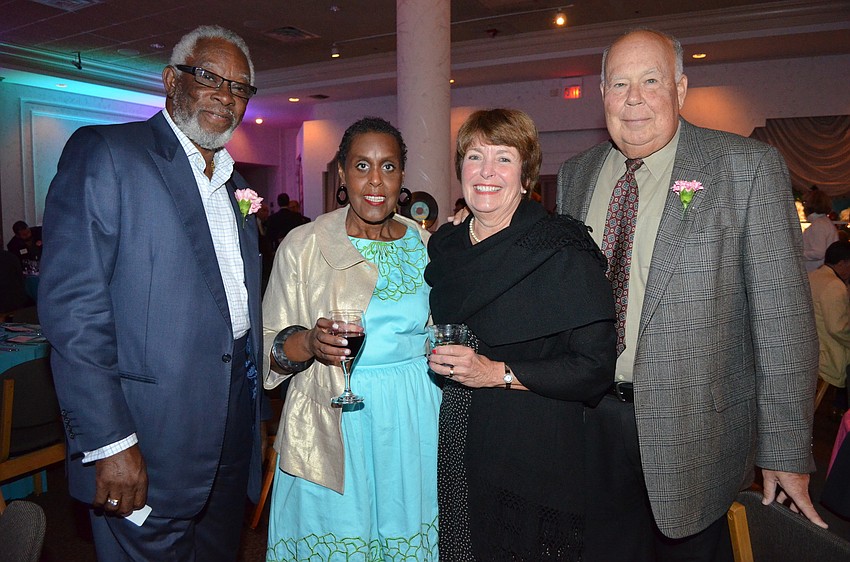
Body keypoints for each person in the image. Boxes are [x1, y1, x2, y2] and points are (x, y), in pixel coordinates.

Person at [556, 29, 824, 561]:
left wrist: (786, 449)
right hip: (589, 424)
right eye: (619, 83)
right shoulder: (576, 174)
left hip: (697, 438)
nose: (634, 98)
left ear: (680, 89)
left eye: (650, 81)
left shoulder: (744, 168)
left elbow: (784, 322)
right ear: (601, 93)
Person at [38, 25, 266, 561]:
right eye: (209, 76)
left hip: (230, 423)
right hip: (146, 429)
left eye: (239, 87)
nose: (225, 95)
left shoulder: (236, 185)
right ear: (170, 81)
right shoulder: (108, 154)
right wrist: (110, 442)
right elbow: (74, 315)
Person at [426, 108, 616, 560]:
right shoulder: (447, 245)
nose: (487, 172)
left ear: (526, 173)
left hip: (534, 444)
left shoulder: (561, 247)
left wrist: (497, 373)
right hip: (460, 434)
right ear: (460, 171)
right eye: (475, 157)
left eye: (504, 158)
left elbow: (594, 368)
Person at [263, 117, 440, 560]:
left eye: (388, 167)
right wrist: (308, 343)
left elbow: (441, 328)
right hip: (332, 416)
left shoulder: (426, 245)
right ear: (342, 173)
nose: (375, 181)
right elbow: (270, 346)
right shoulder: (303, 244)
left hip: (413, 417)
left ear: (403, 176)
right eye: (362, 166)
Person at [809, 241, 850, 414]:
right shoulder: (835, 285)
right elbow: (838, 328)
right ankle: (841, 410)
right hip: (829, 355)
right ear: (842, 263)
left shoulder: (813, 276)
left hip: (813, 350)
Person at [802, 187, 839, 272]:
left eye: (805, 203)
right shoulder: (825, 222)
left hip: (815, 272)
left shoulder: (818, 225)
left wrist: (798, 254)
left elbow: (818, 253)